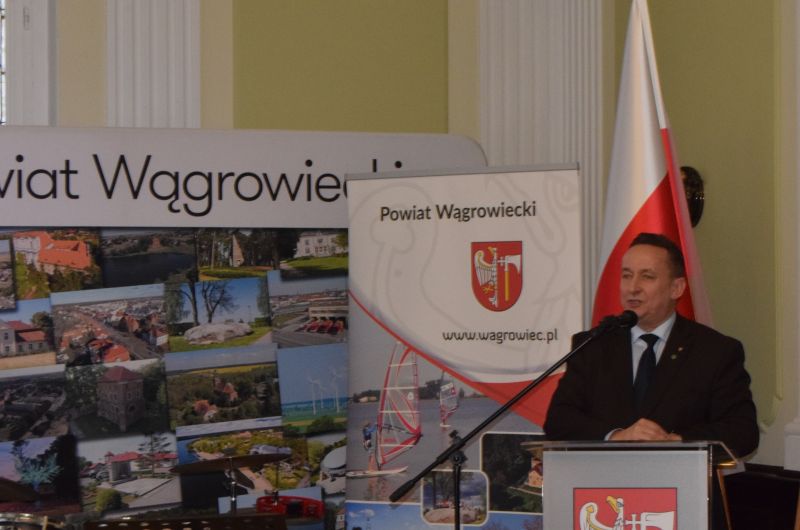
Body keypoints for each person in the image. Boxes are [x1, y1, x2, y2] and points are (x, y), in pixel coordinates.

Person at [544, 232, 758, 458]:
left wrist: (675, 442)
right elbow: (559, 421)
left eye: (647, 276)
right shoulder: (592, 345)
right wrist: (616, 437)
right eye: (626, 276)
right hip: (603, 477)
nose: (632, 287)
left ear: (676, 288)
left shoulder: (715, 351)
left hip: (679, 476)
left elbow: (743, 432)